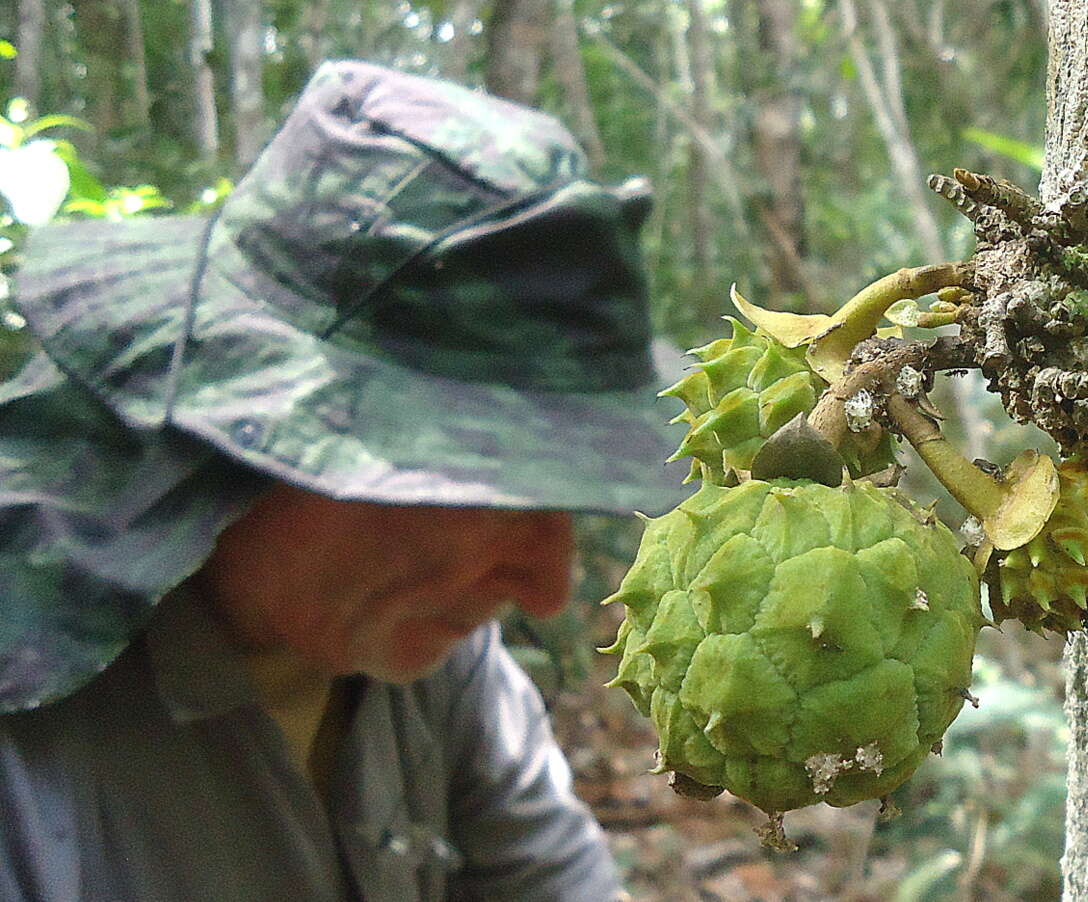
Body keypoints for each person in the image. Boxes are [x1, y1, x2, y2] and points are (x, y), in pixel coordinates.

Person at [0, 61, 690, 901]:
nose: (547, 587)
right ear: (254, 431)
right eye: (489, 485)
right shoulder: (32, 734)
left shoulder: (434, 655)